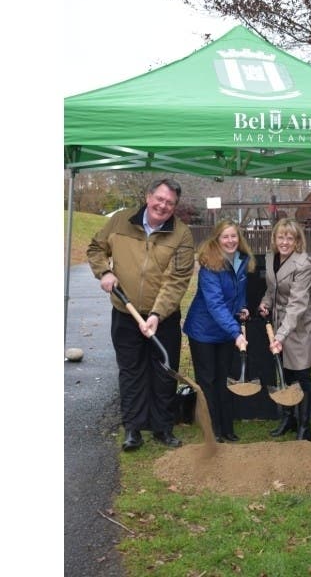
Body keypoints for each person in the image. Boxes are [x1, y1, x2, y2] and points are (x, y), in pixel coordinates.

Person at [87, 178, 195, 451]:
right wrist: (105, 271)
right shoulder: (121, 221)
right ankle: (133, 429)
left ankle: (162, 428)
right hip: (125, 313)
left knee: (164, 372)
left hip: (164, 318)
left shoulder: (181, 234)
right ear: (148, 197)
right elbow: (95, 248)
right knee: (131, 371)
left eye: (170, 203)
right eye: (159, 199)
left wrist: (158, 314)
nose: (163, 205)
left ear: (175, 207)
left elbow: (178, 279)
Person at [183, 220, 255, 443]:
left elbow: (239, 293)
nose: (230, 241)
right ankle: (212, 429)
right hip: (203, 331)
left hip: (226, 330)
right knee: (208, 380)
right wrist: (237, 333)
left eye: (234, 236)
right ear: (217, 239)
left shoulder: (242, 261)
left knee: (223, 378)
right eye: (225, 237)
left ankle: (227, 427)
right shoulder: (209, 265)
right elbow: (215, 304)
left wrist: (242, 308)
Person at [257, 218, 311, 441]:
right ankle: (288, 418)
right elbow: (272, 290)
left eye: (289, 238)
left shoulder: (303, 264)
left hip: (301, 325)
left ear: (297, 241)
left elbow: (297, 305)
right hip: (279, 321)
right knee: (283, 370)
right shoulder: (270, 258)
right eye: (280, 237)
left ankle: (305, 427)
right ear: (274, 238)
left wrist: (281, 335)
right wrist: (266, 303)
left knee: (301, 373)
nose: (284, 242)